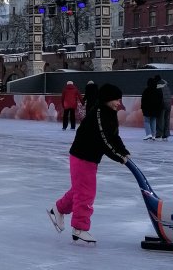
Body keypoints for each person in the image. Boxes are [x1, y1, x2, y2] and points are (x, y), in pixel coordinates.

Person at [48, 82, 130, 245]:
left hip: (89, 157)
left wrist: (124, 151)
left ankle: (57, 209)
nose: (119, 103)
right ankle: (79, 229)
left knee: (80, 189)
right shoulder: (99, 113)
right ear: (107, 99)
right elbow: (104, 141)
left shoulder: (109, 113)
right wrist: (119, 157)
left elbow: (114, 136)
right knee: (86, 192)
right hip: (82, 156)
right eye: (117, 100)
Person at [140, 75, 162, 141]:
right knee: (153, 121)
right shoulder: (158, 90)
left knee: (147, 121)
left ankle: (148, 134)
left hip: (147, 109)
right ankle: (153, 135)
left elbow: (143, 100)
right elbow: (160, 100)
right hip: (156, 109)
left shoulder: (146, 90)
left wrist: (142, 107)